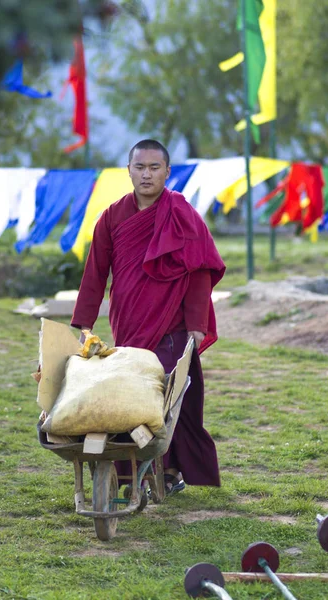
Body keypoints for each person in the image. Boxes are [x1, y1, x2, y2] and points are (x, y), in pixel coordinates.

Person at [71, 139, 226, 493]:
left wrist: (197, 327)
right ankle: (131, 474)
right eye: (139, 167)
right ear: (128, 171)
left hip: (172, 324)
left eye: (154, 168)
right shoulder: (112, 216)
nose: (146, 174)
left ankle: (171, 472)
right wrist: (83, 322)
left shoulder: (182, 214)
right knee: (131, 398)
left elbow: (201, 273)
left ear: (167, 172)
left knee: (170, 398)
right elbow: (95, 272)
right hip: (128, 323)